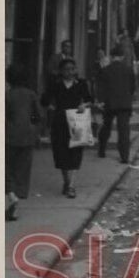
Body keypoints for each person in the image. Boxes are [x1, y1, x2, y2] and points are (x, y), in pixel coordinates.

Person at [41, 56, 93, 199]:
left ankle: (71, 185)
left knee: (76, 153)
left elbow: (90, 100)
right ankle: (66, 181)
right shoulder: (55, 84)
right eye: (66, 70)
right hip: (60, 121)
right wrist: (51, 106)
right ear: (61, 71)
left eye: (72, 69)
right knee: (61, 152)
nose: (70, 72)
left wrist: (84, 105)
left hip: (77, 119)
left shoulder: (81, 83)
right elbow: (44, 99)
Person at [4, 63, 43, 221]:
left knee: (6, 168)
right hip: (27, 137)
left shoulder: (7, 95)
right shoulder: (31, 95)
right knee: (22, 170)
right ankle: (17, 197)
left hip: (9, 136)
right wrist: (34, 130)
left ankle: (11, 195)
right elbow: (37, 116)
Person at [96, 41, 137, 164]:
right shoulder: (128, 70)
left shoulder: (105, 70)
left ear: (112, 57)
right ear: (123, 56)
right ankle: (124, 156)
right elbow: (132, 87)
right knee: (124, 130)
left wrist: (101, 101)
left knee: (106, 127)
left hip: (110, 103)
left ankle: (102, 149)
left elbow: (101, 87)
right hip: (124, 103)